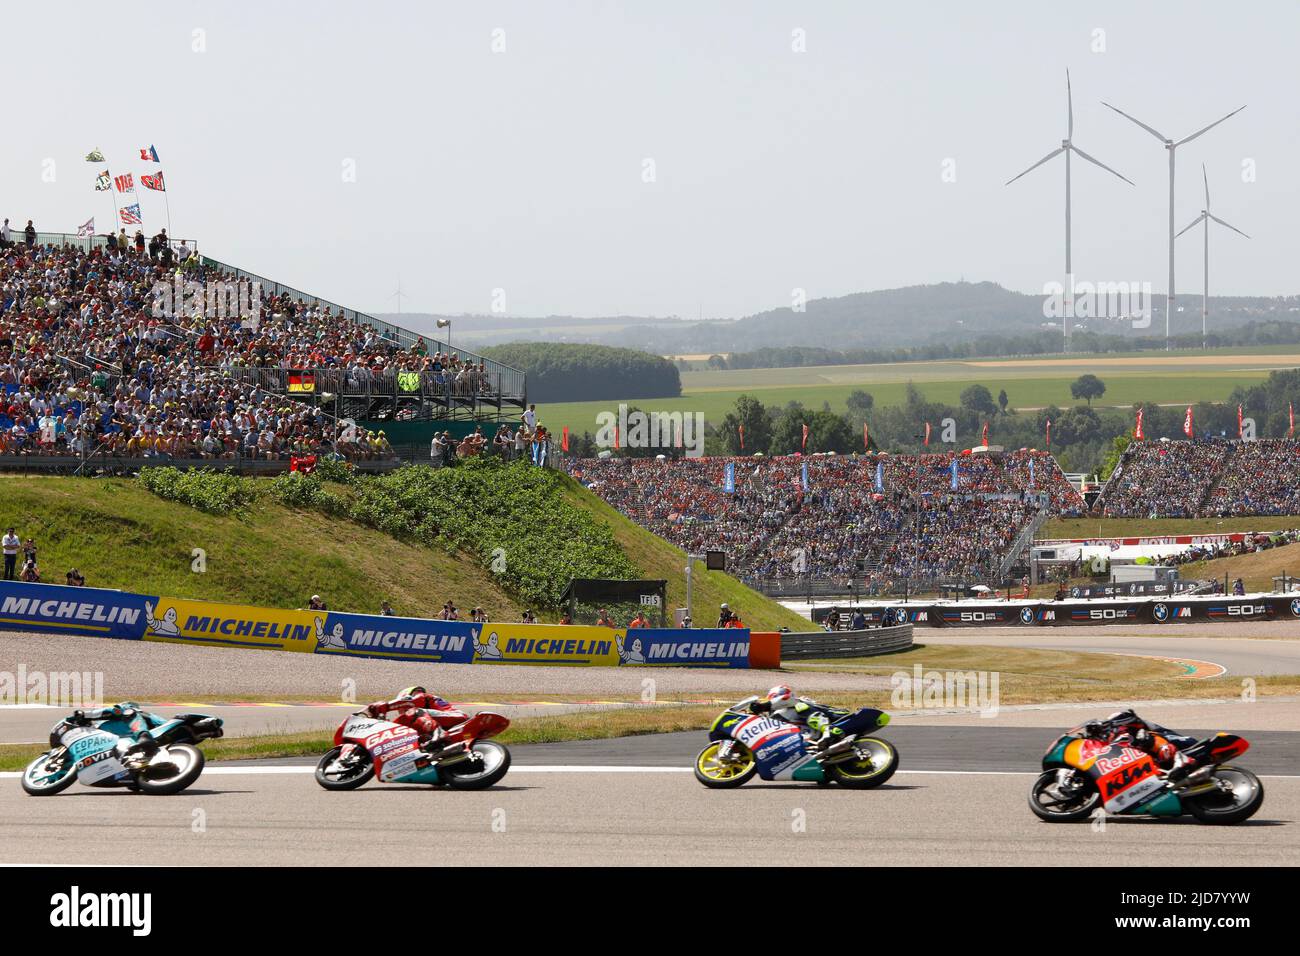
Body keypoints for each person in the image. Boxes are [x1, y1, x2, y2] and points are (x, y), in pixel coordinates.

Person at [749, 684, 888, 751]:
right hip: (808, 738)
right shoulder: (780, 715)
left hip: (832, 719)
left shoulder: (793, 701)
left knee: (800, 706)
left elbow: (785, 699)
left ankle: (827, 731)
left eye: (770, 698)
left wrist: (762, 706)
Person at [1081, 709, 1198, 777]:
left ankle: (1180, 759)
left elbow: (1131, 718)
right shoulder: (1117, 738)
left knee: (1143, 737)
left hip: (1183, 744)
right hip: (1160, 760)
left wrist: (1105, 724)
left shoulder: (1128, 727)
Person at [364, 687, 466, 753]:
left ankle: (440, 734)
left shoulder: (423, 697)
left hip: (456, 717)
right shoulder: (421, 720)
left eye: (401, 708)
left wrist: (386, 706)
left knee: (415, 711)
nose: (402, 711)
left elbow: (410, 702)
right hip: (448, 728)